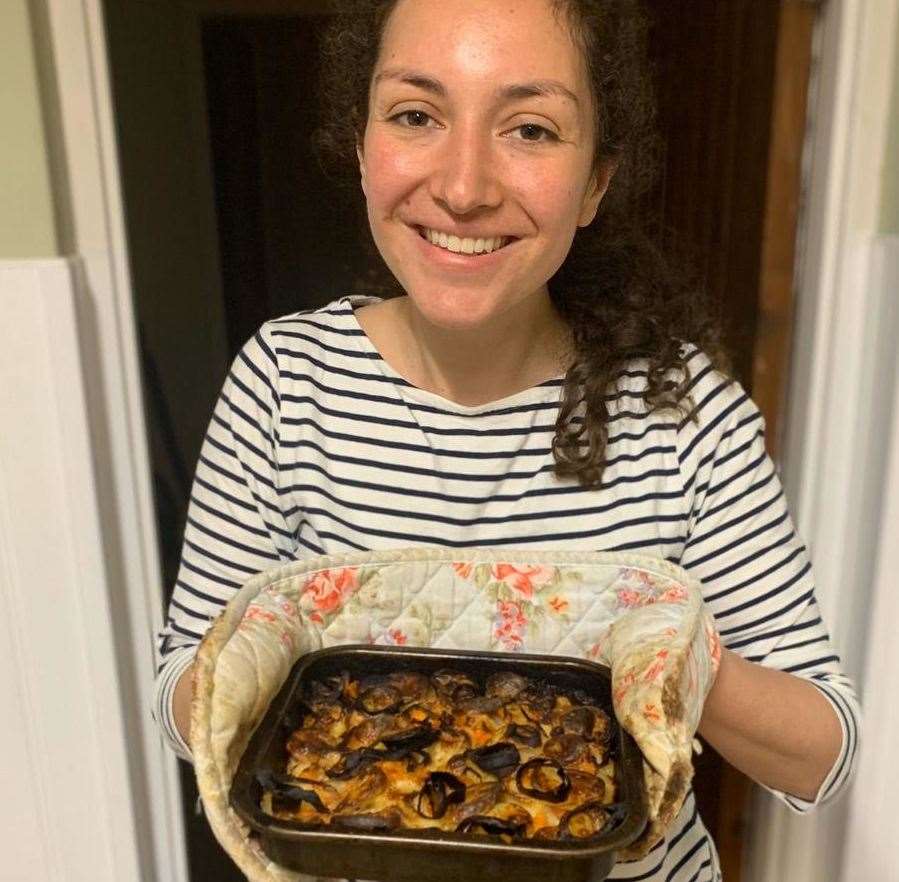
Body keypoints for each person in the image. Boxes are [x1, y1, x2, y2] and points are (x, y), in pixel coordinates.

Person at [153, 0, 860, 879]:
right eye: (416, 115)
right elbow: (180, 703)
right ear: (362, 145)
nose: (463, 185)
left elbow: (822, 755)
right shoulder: (284, 380)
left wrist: (681, 656)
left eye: (529, 128)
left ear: (595, 181)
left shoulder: (686, 412)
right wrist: (263, 651)